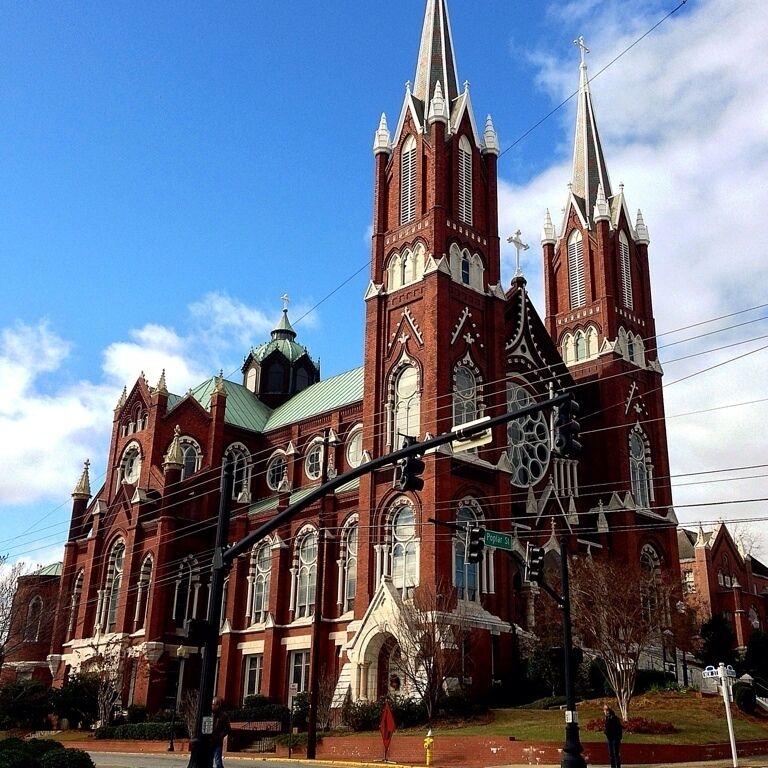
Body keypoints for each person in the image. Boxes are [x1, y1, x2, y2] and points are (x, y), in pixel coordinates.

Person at [211, 696, 231, 768]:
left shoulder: (223, 716)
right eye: (212, 704)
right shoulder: (209, 714)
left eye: (214, 704)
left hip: (217, 741)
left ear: (219, 705)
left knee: (217, 760)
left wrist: (220, 736)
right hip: (209, 741)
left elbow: (227, 728)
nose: (212, 706)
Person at [603, 703, 623, 768]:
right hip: (610, 738)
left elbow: (618, 728)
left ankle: (617, 766)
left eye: (605, 710)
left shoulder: (613, 718)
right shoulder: (607, 718)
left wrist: (619, 737)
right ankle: (613, 766)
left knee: (615, 753)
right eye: (604, 710)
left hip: (615, 738)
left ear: (608, 710)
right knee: (611, 753)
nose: (604, 711)